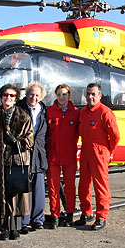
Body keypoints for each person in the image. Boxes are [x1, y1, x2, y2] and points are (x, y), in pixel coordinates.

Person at [0, 84, 34, 240]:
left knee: (16, 195)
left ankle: (15, 227)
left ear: (16, 99)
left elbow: (30, 139)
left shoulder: (24, 116)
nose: (8, 98)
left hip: (16, 160)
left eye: (12, 96)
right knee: (2, 195)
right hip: (1, 160)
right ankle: (3, 228)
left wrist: (16, 142)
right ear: (1, 96)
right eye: (5, 95)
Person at [74, 83, 120, 231]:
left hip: (100, 152)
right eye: (88, 94)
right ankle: (86, 213)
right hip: (86, 151)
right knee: (83, 185)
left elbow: (115, 136)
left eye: (93, 94)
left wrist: (108, 150)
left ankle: (101, 216)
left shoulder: (105, 113)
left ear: (100, 96)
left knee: (100, 186)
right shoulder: (83, 113)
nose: (90, 97)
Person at [46, 84, 79, 228]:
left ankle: (70, 214)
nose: (61, 97)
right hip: (53, 156)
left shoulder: (76, 112)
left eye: (64, 94)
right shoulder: (50, 111)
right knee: (53, 188)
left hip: (69, 156)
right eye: (59, 95)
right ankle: (55, 216)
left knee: (70, 187)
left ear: (69, 96)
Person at [16, 82, 48, 233]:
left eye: (37, 95)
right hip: (23, 153)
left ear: (41, 97)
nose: (33, 97)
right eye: (31, 94)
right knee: (23, 188)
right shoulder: (19, 108)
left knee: (39, 187)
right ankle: (24, 219)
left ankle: (38, 219)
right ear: (26, 94)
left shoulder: (44, 111)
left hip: (39, 154)